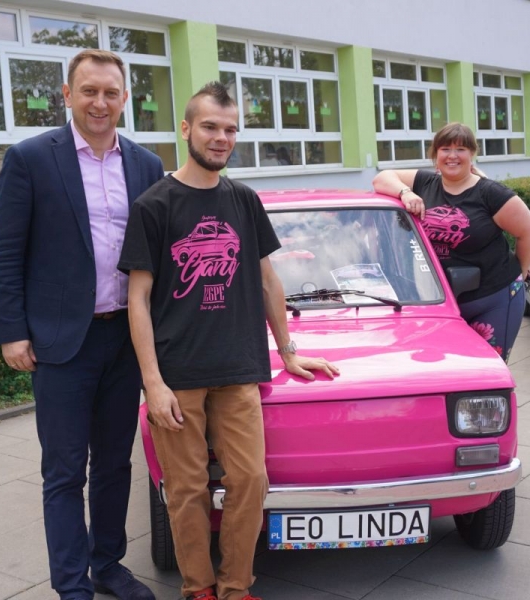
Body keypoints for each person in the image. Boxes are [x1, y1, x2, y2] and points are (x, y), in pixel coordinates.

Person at [118, 81, 339, 600]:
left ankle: (236, 588)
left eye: (231, 129)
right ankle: (199, 588)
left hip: (240, 369)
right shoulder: (154, 205)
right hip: (178, 375)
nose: (222, 138)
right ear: (186, 129)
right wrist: (153, 383)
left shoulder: (243, 200)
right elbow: (138, 299)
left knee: (250, 480)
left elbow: (267, 281)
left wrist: (288, 351)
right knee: (187, 489)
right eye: (211, 127)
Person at [0, 49, 164, 600]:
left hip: (126, 338)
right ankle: (72, 586)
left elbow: (159, 254)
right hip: (62, 342)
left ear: (125, 99)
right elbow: (5, 253)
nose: (99, 103)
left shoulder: (146, 165)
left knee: (114, 463)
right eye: (89, 91)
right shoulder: (31, 159)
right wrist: (11, 331)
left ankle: (107, 565)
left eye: (110, 93)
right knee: (64, 472)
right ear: (67, 94)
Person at [372, 122, 530, 361]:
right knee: (444, 371)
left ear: (472, 154)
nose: (452, 155)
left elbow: (529, 233)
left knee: (487, 369)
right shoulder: (424, 183)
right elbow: (381, 178)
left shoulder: (491, 194)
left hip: (492, 299)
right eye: (445, 149)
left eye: (460, 149)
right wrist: (405, 193)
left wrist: (520, 273)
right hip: (437, 303)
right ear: (435, 155)